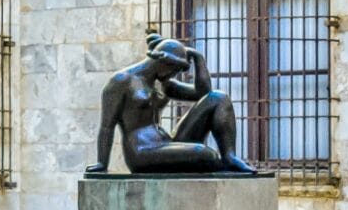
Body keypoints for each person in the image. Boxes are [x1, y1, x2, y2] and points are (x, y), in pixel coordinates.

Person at [85, 30, 259, 175]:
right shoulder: (121, 81)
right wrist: (102, 163)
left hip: (167, 143)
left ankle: (229, 158)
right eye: (175, 69)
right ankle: (219, 165)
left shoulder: (163, 84)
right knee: (203, 153)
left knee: (219, 98)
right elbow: (107, 126)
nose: (174, 74)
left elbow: (204, 93)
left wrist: (198, 58)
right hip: (142, 152)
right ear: (163, 61)